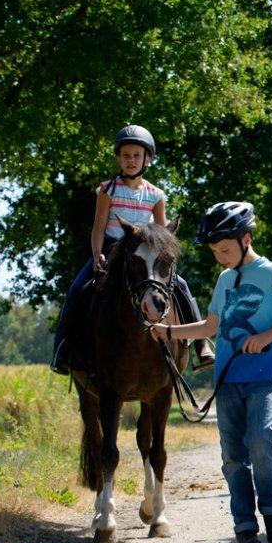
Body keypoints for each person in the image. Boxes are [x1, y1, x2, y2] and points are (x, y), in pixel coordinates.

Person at [150, 202, 272, 543]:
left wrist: (268, 337)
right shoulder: (224, 279)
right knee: (232, 455)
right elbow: (211, 326)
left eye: (224, 249)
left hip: (263, 376)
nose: (219, 257)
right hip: (228, 378)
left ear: (246, 238)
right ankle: (244, 526)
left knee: (260, 440)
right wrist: (169, 331)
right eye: (214, 251)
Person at [51, 125, 212, 374]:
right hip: (112, 250)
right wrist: (96, 255)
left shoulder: (156, 194)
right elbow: (98, 227)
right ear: (118, 158)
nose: (131, 160)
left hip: (144, 252)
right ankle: (63, 350)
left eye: (137, 155)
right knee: (77, 288)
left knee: (181, 285)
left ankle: (201, 345)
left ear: (147, 159)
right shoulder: (107, 190)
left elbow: (160, 233)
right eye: (125, 155)